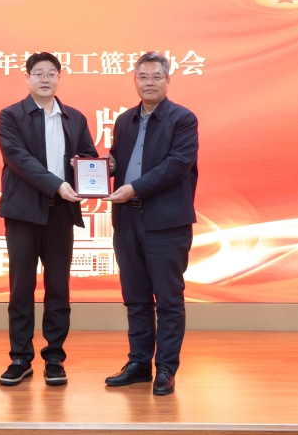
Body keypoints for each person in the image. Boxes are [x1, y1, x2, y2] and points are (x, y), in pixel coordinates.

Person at [0, 51, 98, 387]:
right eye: (38, 73)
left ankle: (54, 357)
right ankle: (20, 358)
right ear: (27, 78)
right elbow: (19, 159)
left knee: (58, 288)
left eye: (51, 73)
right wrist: (56, 184)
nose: (45, 78)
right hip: (23, 214)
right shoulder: (11, 116)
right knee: (21, 288)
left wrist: (96, 172)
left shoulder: (75, 117)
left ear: (58, 78)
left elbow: (88, 155)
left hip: (60, 214)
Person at [103, 51, 199, 396]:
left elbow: (178, 165)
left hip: (166, 223)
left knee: (169, 300)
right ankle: (139, 364)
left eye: (156, 76)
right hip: (127, 220)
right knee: (136, 297)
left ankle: (166, 368)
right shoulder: (124, 120)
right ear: (135, 81)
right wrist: (105, 167)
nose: (149, 83)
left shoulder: (183, 119)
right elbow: (121, 159)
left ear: (168, 80)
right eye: (142, 77)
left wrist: (134, 187)